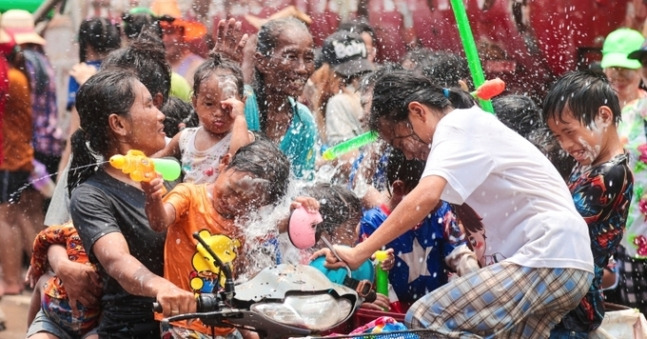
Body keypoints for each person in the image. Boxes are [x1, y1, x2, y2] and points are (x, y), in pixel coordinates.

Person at [314, 70, 594, 337]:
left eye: (400, 143)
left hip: (549, 254)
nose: (408, 157)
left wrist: (360, 252)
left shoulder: (456, 126)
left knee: (425, 317)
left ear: (418, 112)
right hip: (568, 261)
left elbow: (424, 197)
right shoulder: (466, 128)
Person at [68, 69, 196, 338]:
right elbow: (118, 261)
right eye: (149, 105)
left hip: (196, 324)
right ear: (119, 125)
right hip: (133, 330)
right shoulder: (92, 196)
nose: (161, 115)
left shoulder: (173, 175)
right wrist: (162, 287)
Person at [142, 137, 290, 338]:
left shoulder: (247, 222)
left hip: (226, 324)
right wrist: (153, 197)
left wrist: (302, 213)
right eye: (232, 189)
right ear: (224, 163)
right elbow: (159, 222)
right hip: (184, 321)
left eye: (247, 202)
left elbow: (278, 227)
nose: (233, 202)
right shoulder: (190, 196)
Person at [543, 70, 634, 337]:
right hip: (567, 299)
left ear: (604, 116)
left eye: (569, 132)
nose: (566, 145)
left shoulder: (610, 175)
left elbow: (559, 228)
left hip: (574, 305)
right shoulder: (589, 166)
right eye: (558, 136)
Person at [358, 149, 478, 312]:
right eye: (429, 194)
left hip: (437, 308)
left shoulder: (440, 213)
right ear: (399, 189)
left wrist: (478, 285)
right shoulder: (373, 223)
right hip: (395, 313)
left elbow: (460, 255)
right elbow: (367, 277)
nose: (437, 199)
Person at [600, 28, 647, 315]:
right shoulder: (599, 109)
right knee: (627, 313)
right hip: (618, 228)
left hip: (642, 226)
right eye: (612, 67)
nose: (618, 74)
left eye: (625, 68)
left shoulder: (643, 109)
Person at [155, 52, 253, 184]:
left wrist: (240, 117)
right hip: (187, 202)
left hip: (219, 203)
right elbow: (157, 159)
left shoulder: (241, 137)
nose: (218, 112)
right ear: (195, 103)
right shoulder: (185, 138)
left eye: (227, 105)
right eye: (209, 104)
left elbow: (241, 164)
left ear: (242, 103)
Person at [245, 17, 318, 179]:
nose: (302, 69)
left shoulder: (304, 120)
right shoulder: (242, 104)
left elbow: (303, 184)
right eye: (291, 56)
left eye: (308, 58)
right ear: (262, 62)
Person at [0, 30, 38, 297]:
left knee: (5, 218)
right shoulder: (19, 75)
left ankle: (12, 280)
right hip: (19, 155)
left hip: (8, 158)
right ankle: (34, 274)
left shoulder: (9, 78)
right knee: (22, 215)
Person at [25, 221, 100, 339]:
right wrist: (37, 265)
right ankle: (32, 331)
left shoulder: (115, 233)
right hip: (54, 317)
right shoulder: (71, 227)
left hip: (95, 319)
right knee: (42, 281)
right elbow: (42, 237)